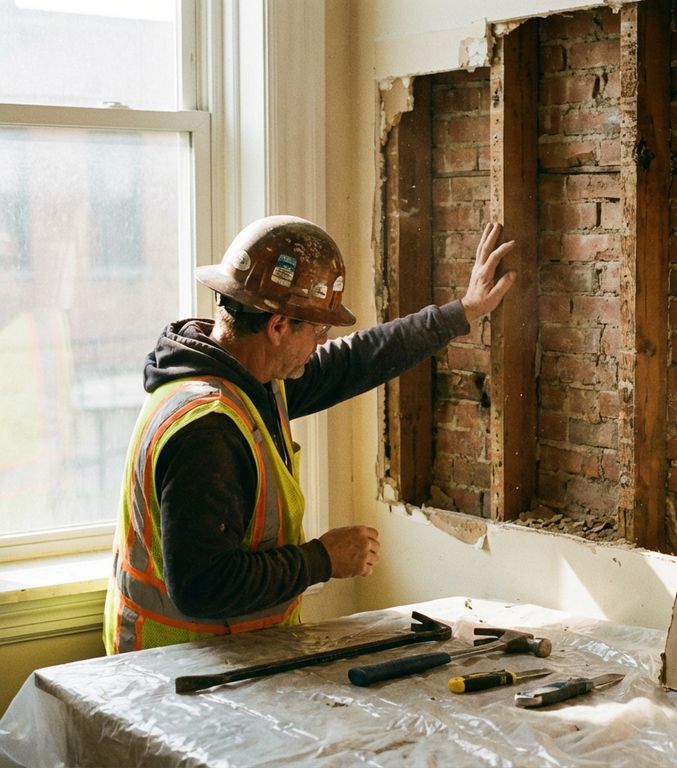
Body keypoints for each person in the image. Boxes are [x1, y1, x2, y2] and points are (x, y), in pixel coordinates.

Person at [103, 215, 516, 653]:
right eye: (318, 331)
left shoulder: (248, 379)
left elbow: (355, 360)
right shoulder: (208, 428)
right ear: (278, 326)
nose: (321, 343)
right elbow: (201, 585)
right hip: (178, 667)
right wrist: (322, 559)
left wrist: (462, 313)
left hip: (223, 658)